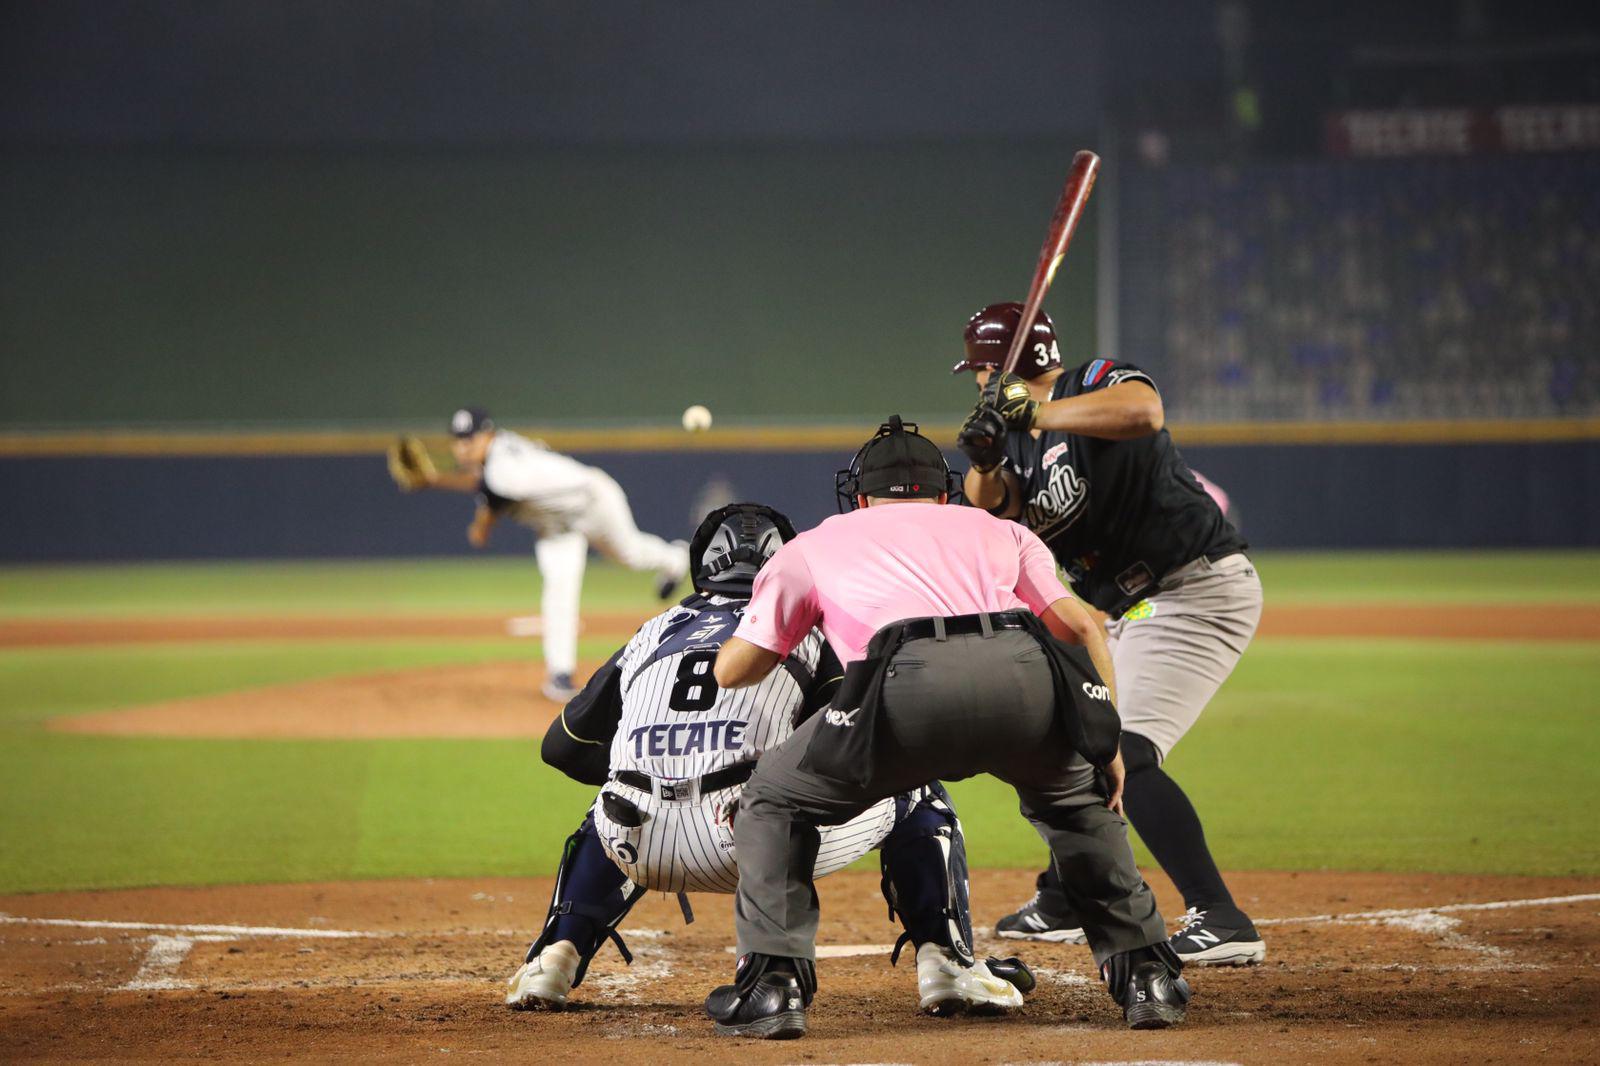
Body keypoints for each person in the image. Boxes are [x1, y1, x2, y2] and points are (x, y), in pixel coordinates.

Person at [705, 418, 1190, 1039]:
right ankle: (1147, 976)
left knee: (772, 798)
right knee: (1076, 805)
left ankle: (772, 987)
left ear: (859, 497)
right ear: (943, 493)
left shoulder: (814, 544)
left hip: (903, 691)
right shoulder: (999, 528)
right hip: (1025, 677)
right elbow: (1084, 628)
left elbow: (736, 671)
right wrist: (1105, 740)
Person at [507, 502, 1031, 1018]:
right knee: (916, 784)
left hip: (635, 844)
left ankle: (555, 958)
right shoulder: (809, 622)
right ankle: (948, 967)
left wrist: (665, 769)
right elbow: (858, 736)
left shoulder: (653, 630)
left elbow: (561, 747)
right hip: (751, 838)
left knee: (616, 798)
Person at [953, 302, 1265, 967]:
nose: (976, 386)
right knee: (1075, 743)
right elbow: (994, 506)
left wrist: (1031, 411)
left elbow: (1143, 411)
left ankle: (1221, 914)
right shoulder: (1021, 439)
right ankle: (1067, 897)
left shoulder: (1088, 383)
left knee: (1129, 751)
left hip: (1194, 586)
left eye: (978, 373)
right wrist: (984, 456)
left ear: (995, 367)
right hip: (1134, 610)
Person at [415, 407, 690, 700]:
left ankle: (676, 559)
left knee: (630, 553)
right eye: (458, 440)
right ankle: (560, 674)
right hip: (555, 525)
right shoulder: (499, 455)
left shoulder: (501, 466)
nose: (463, 447)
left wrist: (441, 486)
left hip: (591, 501)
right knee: (559, 590)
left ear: (489, 434)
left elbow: (492, 493)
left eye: (470, 439)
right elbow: (484, 483)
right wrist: (437, 481)